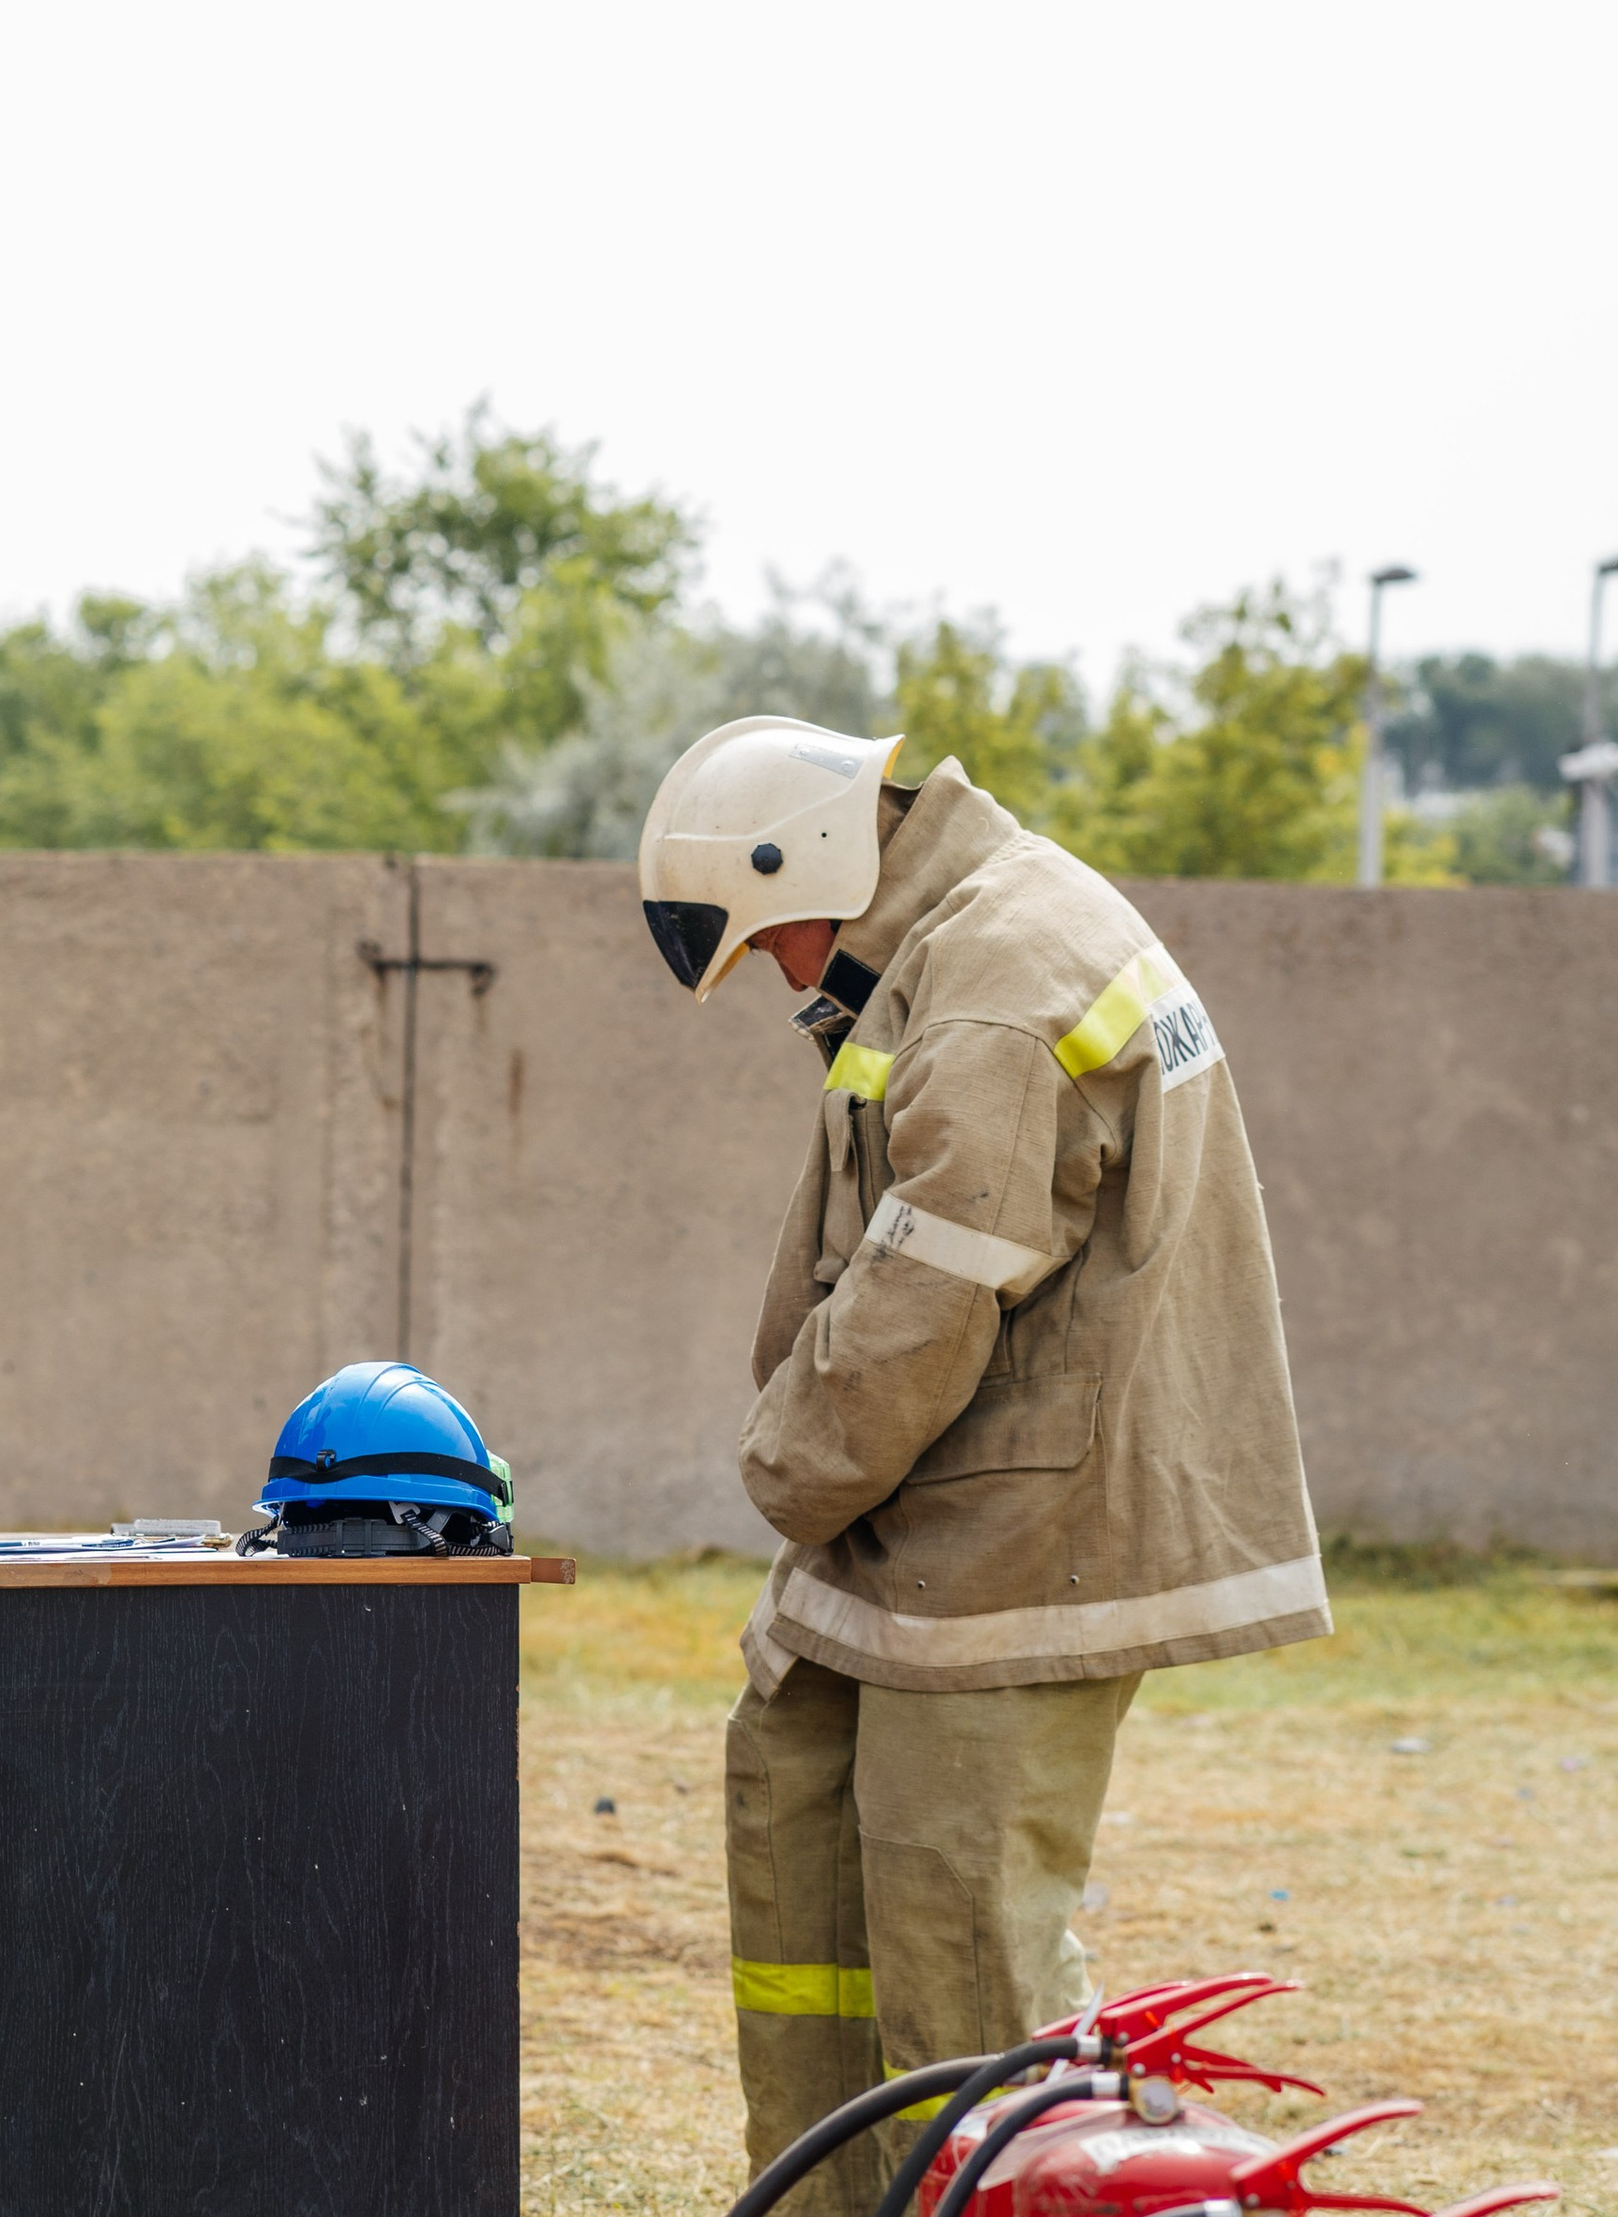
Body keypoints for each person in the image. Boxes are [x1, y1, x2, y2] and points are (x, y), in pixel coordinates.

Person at [637, 718, 1329, 2215]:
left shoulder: (997, 995)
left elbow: (920, 1307)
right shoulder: (960, 935)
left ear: (813, 857)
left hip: (1019, 1539)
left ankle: (976, 2197)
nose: (778, 973)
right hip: (937, 1512)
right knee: (796, 1802)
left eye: (771, 937)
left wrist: (786, 1470)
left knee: (960, 1950)